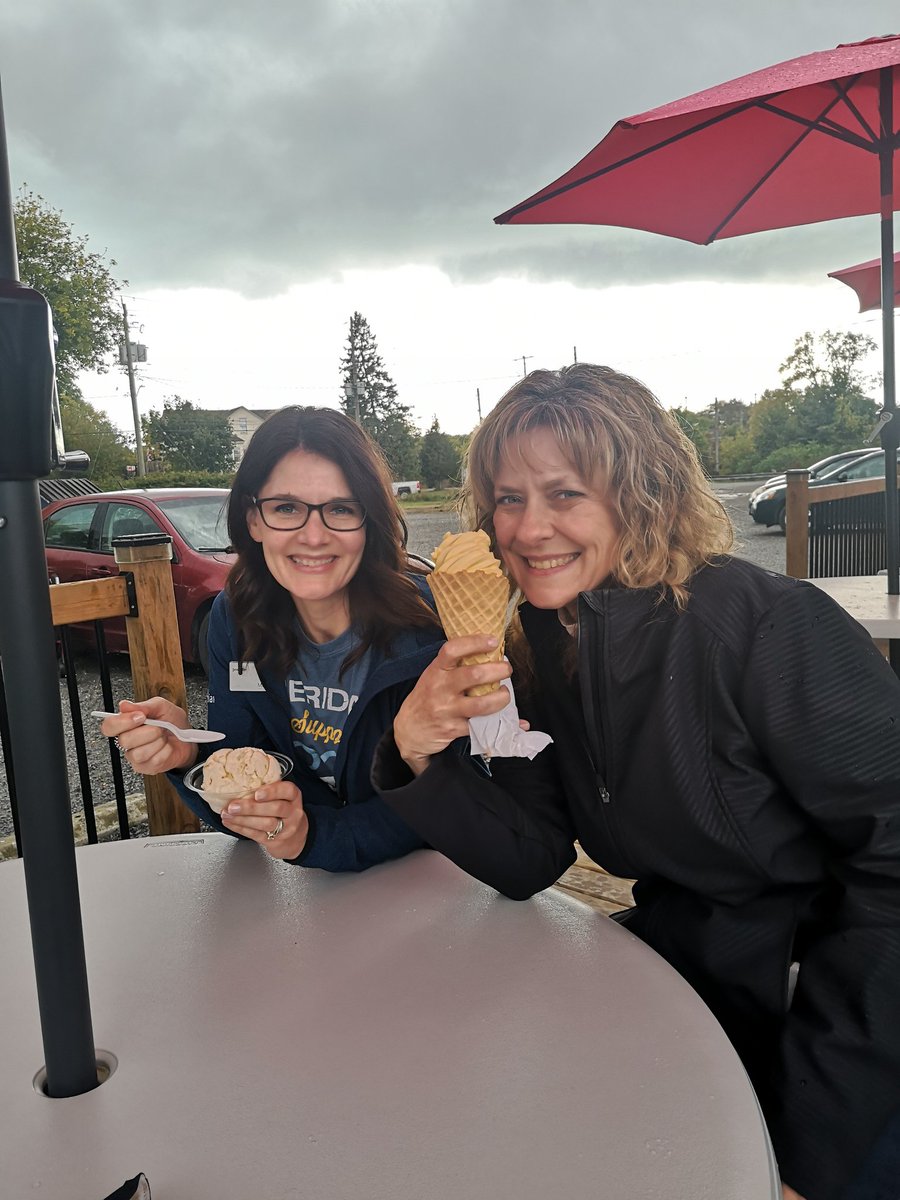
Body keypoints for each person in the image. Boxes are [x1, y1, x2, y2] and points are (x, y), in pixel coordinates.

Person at [372, 364, 900, 1200]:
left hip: (845, 1023)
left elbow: (893, 873)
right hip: (692, 982)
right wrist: (415, 752)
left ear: (640, 495)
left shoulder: (766, 625)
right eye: (508, 499)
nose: (529, 527)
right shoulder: (541, 647)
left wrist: (812, 1149)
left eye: (565, 494)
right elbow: (530, 857)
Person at [100, 405, 443, 870]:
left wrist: (313, 837)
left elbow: (452, 800)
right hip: (309, 896)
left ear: (369, 521)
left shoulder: (428, 624)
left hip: (428, 881)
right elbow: (249, 781)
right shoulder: (237, 619)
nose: (314, 536)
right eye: (286, 508)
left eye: (341, 508)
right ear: (254, 519)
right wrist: (188, 756)